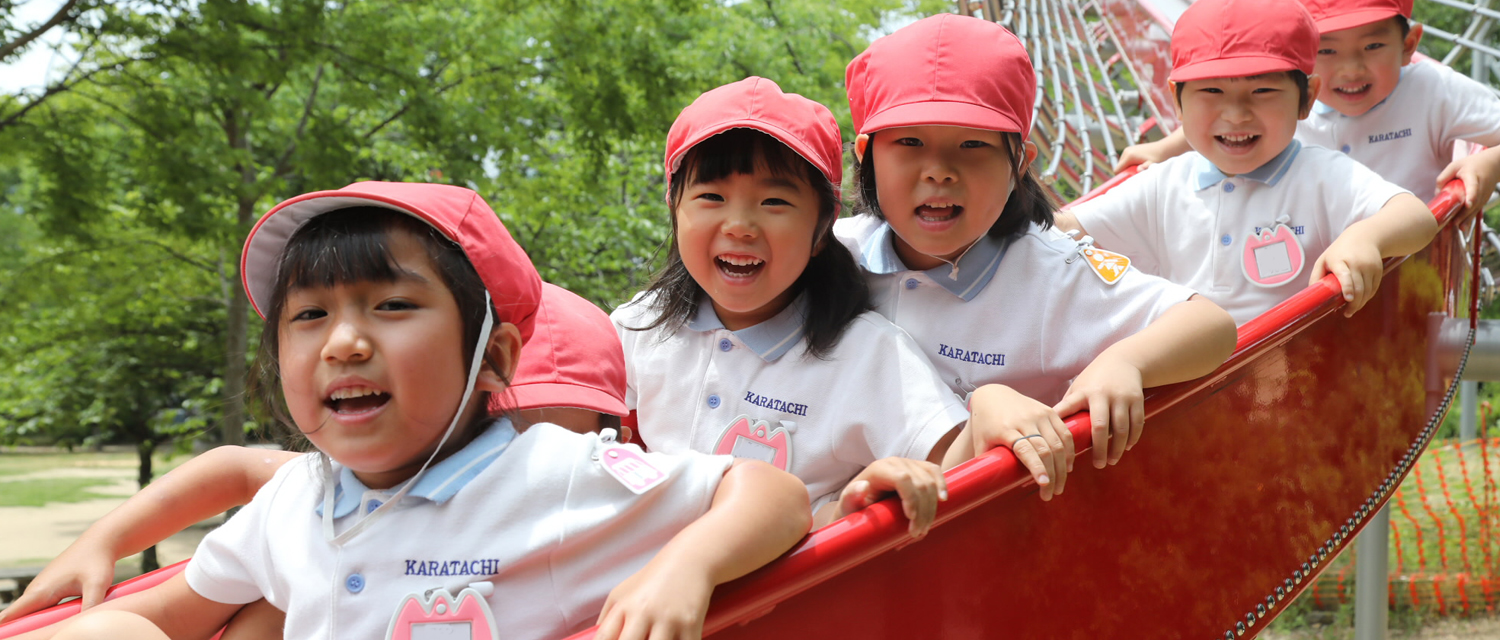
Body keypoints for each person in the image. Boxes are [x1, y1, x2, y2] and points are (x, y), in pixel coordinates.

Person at [18, 182, 810, 640]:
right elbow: (170, 613)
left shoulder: (553, 475)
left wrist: (687, 565)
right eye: (308, 317)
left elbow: (773, 493)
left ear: (494, 358)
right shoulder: (296, 499)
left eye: (392, 305)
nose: (345, 343)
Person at [1, 280, 641, 637]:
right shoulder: (361, 487)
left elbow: (738, 494)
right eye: (502, 423)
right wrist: (101, 540)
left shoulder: (579, 488)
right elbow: (237, 466)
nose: (511, 447)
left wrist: (686, 567)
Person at [836, 14, 1239, 501]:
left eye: (972, 145)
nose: (939, 171)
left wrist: (1125, 361)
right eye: (909, 142)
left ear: (1020, 163)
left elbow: (1211, 325)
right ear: (866, 155)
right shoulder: (837, 255)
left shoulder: (1049, 274)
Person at [612, 77, 969, 537]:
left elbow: (959, 467)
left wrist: (852, 506)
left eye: (774, 201)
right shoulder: (639, 328)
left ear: (823, 229)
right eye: (711, 197)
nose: (740, 225)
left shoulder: (866, 355)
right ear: (674, 207)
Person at [1055, 0, 1437, 326]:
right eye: (1212, 91)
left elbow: (1415, 216)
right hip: (1191, 392)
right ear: (1177, 100)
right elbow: (1067, 230)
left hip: (1298, 383)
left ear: (1307, 99)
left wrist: (1363, 238)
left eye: (1263, 90)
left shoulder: (1320, 176)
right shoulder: (1164, 186)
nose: (1236, 115)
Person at [1115, 0, 1500, 216]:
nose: (1351, 69)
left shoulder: (1434, 91)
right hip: (1304, 253)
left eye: (1373, 46)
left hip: (1403, 258)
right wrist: (1162, 150)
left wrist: (1489, 163)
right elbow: (1229, 120)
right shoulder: (1282, 97)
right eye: (1325, 51)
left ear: (1409, 45)